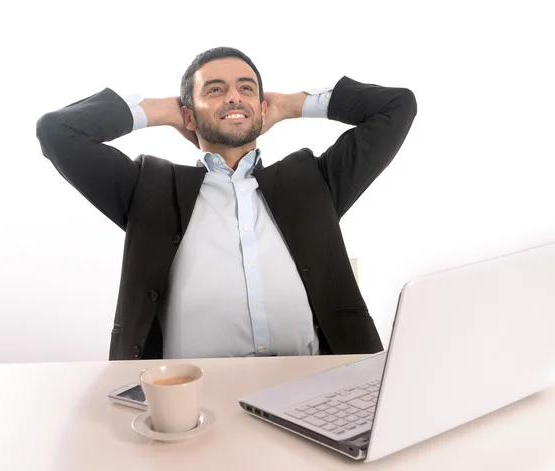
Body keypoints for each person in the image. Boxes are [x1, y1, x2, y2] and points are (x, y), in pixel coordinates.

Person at [36, 46, 417, 361]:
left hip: (312, 383)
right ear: (188, 114)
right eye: (214, 90)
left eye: (247, 89)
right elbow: (59, 131)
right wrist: (165, 112)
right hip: (192, 399)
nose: (234, 96)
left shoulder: (312, 181)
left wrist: (290, 105)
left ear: (262, 107)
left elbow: (397, 106)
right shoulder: (149, 189)